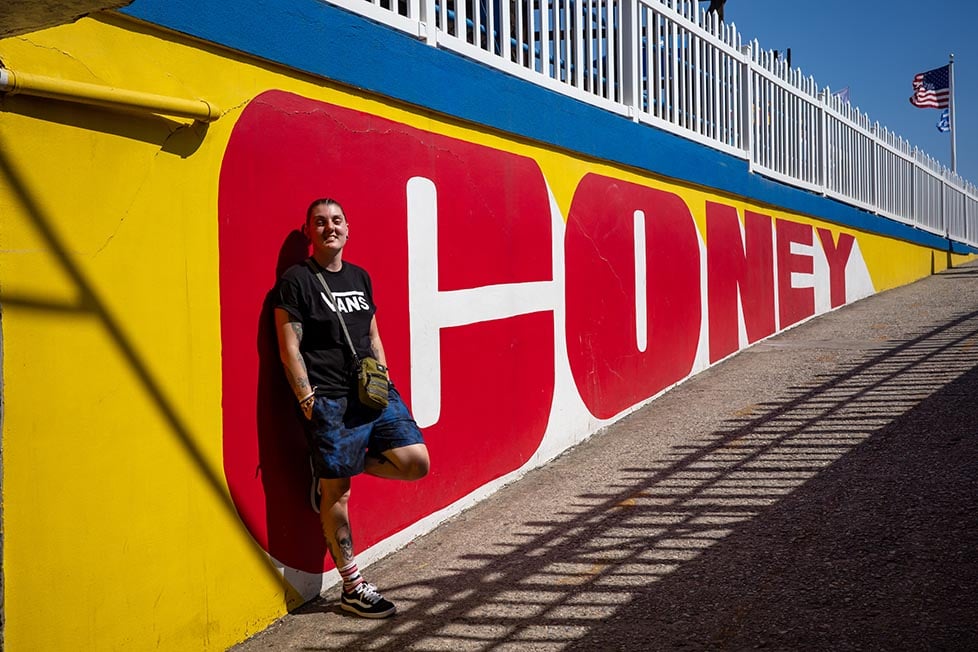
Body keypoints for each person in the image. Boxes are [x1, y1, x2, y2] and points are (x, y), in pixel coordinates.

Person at [274, 197, 430, 618]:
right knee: (338, 494)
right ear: (309, 232)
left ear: (348, 228)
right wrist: (307, 398)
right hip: (329, 400)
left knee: (416, 462)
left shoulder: (360, 277)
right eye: (320, 222)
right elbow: (289, 345)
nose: (330, 228)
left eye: (337, 220)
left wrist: (384, 374)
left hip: (373, 393)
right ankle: (352, 586)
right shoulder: (296, 280)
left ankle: (327, 470)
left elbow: (372, 332)